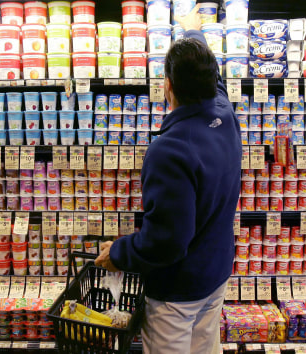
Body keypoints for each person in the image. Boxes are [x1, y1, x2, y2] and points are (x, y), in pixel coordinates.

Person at [95, 5, 242, 354]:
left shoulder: (170, 150)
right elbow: (213, 77)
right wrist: (193, 32)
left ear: (168, 86)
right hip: (216, 271)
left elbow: (167, 242)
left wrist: (119, 252)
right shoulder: (224, 112)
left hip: (179, 290)